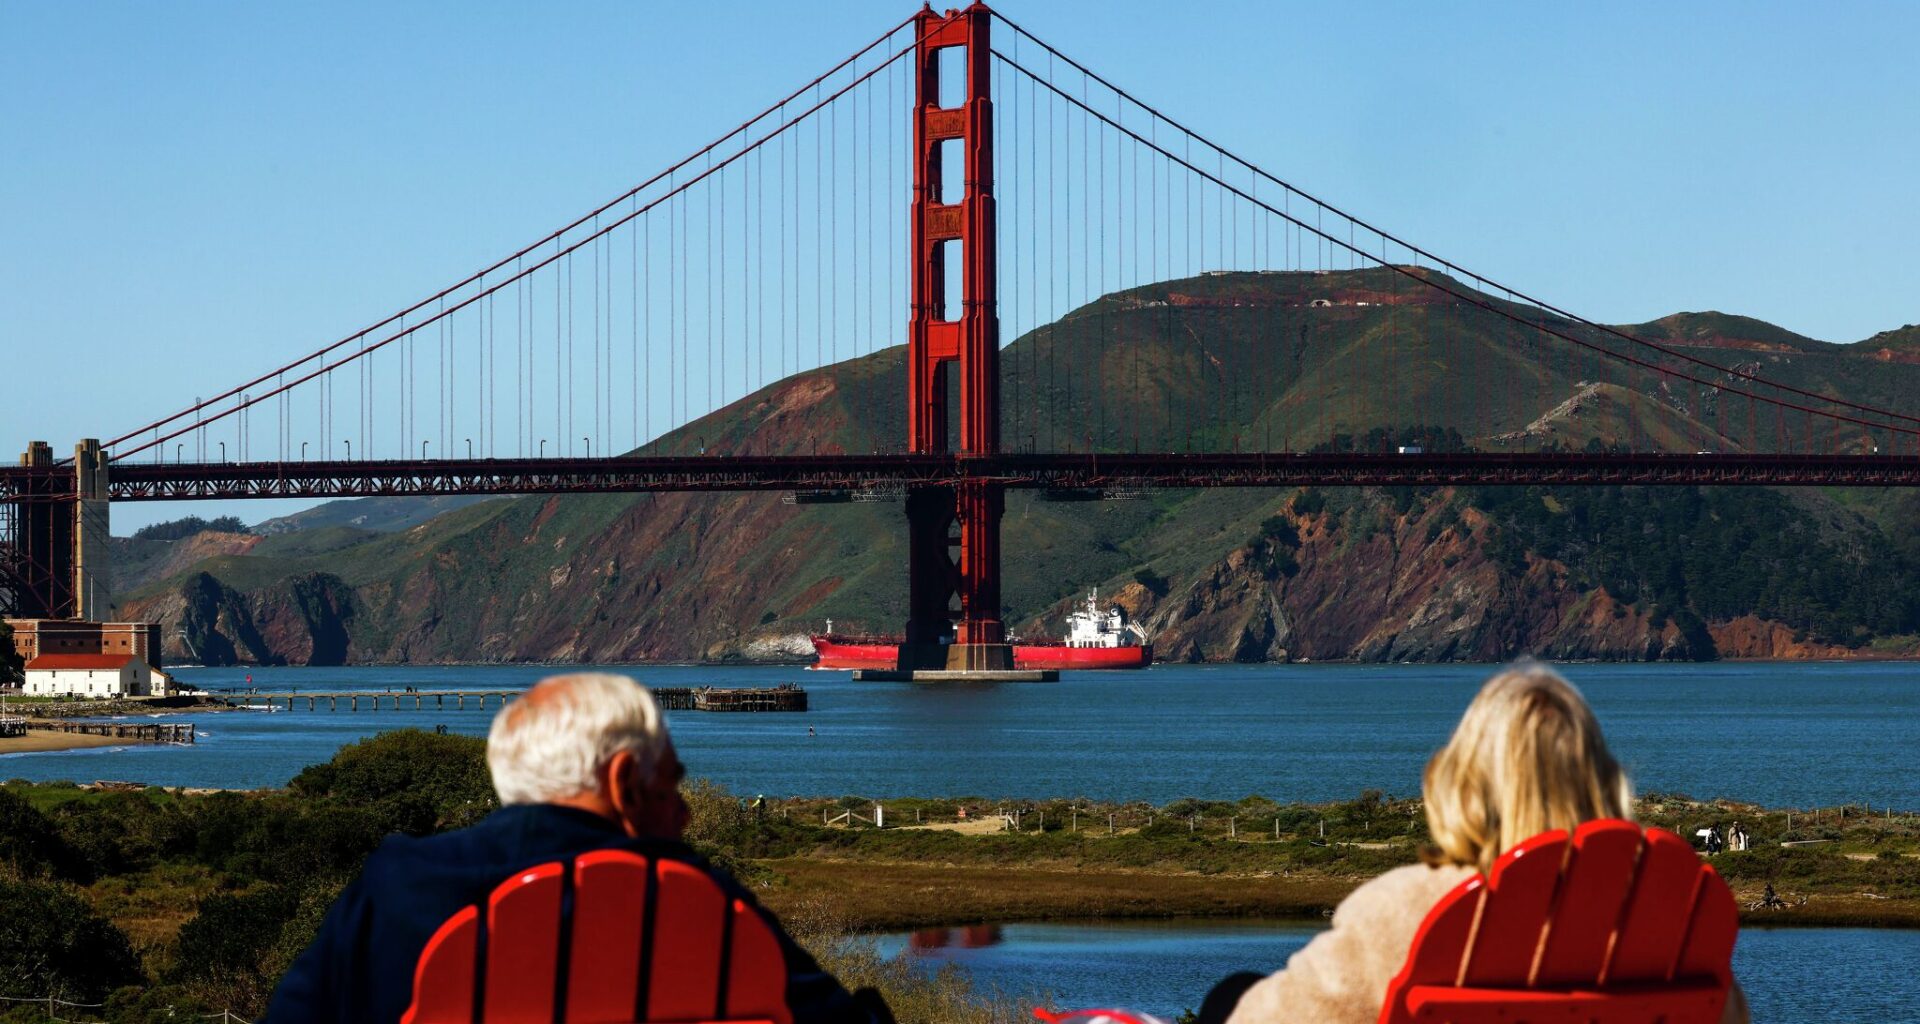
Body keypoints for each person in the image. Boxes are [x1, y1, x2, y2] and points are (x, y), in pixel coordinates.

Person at [267, 673, 892, 1024]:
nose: (686, 811)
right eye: (671, 786)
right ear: (623, 784)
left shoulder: (395, 887)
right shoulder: (694, 905)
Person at [1216, 664, 1748, 1024]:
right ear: (1603, 780)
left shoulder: (1404, 912)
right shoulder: (1669, 926)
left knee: (1229, 995)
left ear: (1463, 780)